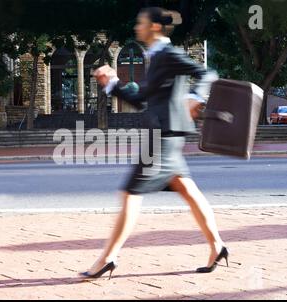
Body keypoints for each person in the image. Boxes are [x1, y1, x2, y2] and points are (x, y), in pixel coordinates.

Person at [80, 7, 228, 280]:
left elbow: (208, 74)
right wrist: (112, 84)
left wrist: (196, 97)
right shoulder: (156, 56)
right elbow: (142, 99)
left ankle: (108, 258)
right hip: (166, 132)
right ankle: (217, 245)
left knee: (130, 193)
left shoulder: (169, 54)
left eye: (141, 23)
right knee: (188, 190)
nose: (137, 27)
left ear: (155, 27)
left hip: (162, 135)